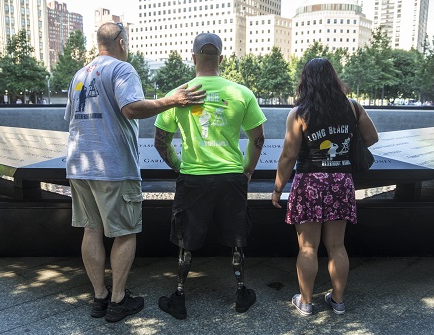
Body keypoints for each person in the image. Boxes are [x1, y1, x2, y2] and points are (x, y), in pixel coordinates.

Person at [64, 22, 205, 323]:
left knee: (91, 229)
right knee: (125, 231)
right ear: (121, 42)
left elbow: (74, 117)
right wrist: (172, 101)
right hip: (113, 165)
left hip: (79, 164)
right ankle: (117, 301)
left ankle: (99, 296)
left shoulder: (79, 75)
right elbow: (130, 108)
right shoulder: (122, 69)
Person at [154, 33, 266, 320]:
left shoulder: (177, 95)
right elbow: (258, 139)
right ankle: (241, 292)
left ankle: (179, 296)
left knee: (185, 239)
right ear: (222, 58)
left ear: (192, 58)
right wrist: (248, 169)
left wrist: (180, 166)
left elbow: (160, 141)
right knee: (237, 237)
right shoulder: (242, 93)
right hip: (232, 177)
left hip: (193, 178)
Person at [271, 58, 378, 316]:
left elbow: (288, 156)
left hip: (309, 182)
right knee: (337, 246)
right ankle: (338, 301)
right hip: (341, 181)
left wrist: (277, 189)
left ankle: (306, 302)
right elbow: (372, 138)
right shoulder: (352, 107)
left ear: (305, 81)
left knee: (308, 247)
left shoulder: (299, 113)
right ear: (334, 78)